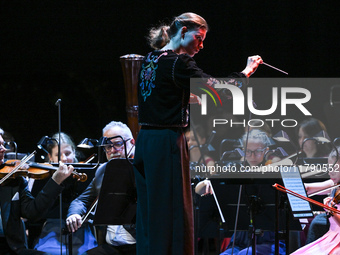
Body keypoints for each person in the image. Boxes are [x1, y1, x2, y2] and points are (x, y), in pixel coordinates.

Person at [133, 12, 262, 255]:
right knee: (173, 211)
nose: (201, 46)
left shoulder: (151, 59)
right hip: (166, 143)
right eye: (198, 38)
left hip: (146, 143)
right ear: (183, 33)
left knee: (151, 212)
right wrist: (246, 72)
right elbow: (221, 91)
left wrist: (190, 98)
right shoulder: (178, 63)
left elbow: (163, 94)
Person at [0, 127, 74, 255]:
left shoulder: (14, 178)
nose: (4, 149)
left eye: (3, 144)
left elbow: (33, 213)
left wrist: (55, 182)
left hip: (11, 248)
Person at [66, 121, 136, 255]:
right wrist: (74, 214)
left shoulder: (143, 168)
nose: (112, 151)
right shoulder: (102, 171)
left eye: (118, 144)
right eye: (107, 147)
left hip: (139, 244)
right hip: (111, 247)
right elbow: (81, 200)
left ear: (132, 142)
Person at [33, 132, 97, 254]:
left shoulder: (86, 173)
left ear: (74, 152)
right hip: (52, 228)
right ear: (50, 157)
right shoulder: (43, 175)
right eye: (58, 155)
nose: (64, 159)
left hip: (81, 226)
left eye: (68, 153)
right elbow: (37, 211)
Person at [291, 147, 340, 254]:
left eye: (333, 168)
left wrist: (331, 210)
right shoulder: (334, 185)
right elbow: (308, 188)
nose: (330, 172)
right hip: (330, 238)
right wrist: (292, 183)